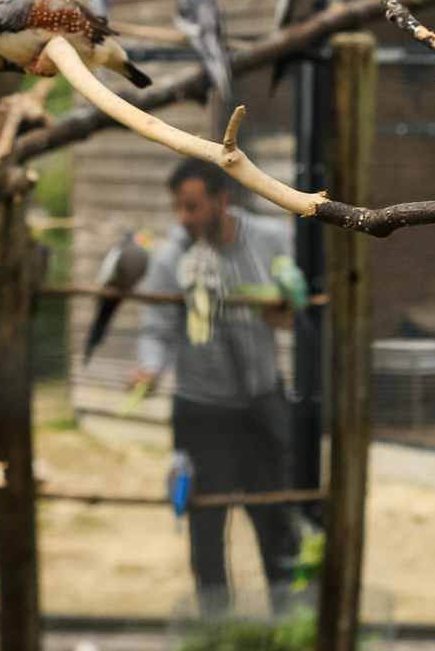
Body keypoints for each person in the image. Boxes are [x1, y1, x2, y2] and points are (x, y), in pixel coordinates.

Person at [133, 158, 301, 616]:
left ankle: (286, 630)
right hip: (200, 413)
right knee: (206, 531)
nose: (182, 219)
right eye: (177, 209)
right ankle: (216, 632)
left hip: (263, 405)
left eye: (192, 207)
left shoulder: (269, 239)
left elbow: (293, 310)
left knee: (275, 523)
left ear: (223, 200)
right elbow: (156, 330)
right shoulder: (170, 259)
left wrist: (282, 313)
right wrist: (148, 369)